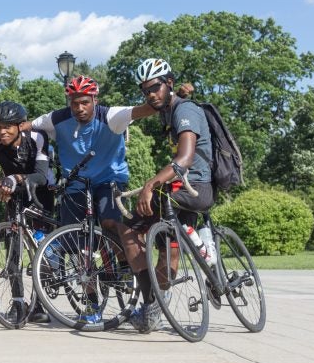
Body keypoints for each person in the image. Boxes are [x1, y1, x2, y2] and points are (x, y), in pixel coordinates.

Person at [23, 76, 156, 323]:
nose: (79, 108)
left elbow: (144, 110)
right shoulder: (57, 118)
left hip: (109, 179)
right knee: (77, 244)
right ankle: (92, 304)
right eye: (75, 103)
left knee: (110, 223)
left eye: (85, 102)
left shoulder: (111, 116)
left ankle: (123, 264)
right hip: (76, 183)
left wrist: (167, 98)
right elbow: (24, 126)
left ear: (95, 99)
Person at [121, 58, 214, 333]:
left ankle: (152, 305)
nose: (150, 94)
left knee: (130, 229)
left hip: (195, 186)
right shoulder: (169, 108)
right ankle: (156, 306)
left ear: (168, 83)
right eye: (145, 90)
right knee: (165, 246)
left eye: (155, 87)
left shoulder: (185, 112)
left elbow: (184, 159)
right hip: (179, 189)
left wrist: (150, 184)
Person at [0, 101, 52, 324]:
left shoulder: (37, 138)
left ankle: (40, 303)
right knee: (14, 254)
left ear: (20, 126)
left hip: (41, 193)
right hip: (13, 196)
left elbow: (40, 174)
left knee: (41, 252)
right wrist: (1, 183)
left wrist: (15, 177)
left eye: (8, 127)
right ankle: (18, 302)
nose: (2, 131)